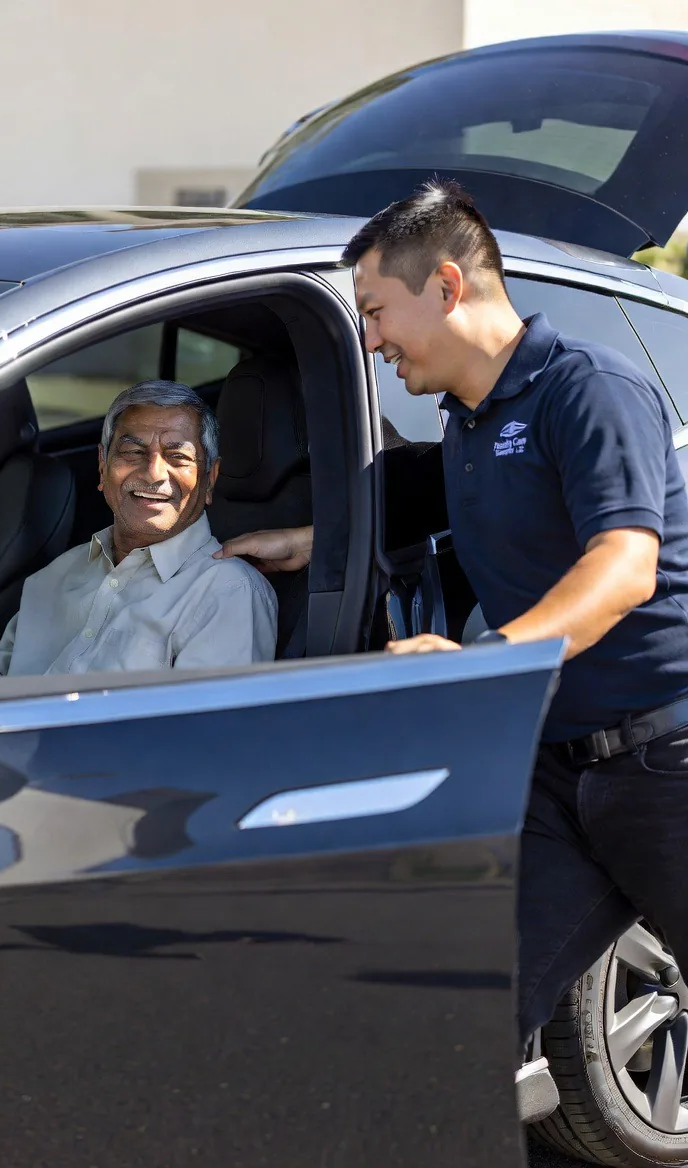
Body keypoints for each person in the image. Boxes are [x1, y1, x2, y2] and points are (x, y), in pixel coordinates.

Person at [215, 181, 688, 1047]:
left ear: (446, 286)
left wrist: (487, 660)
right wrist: (314, 540)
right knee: (457, 1016)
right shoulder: (470, 426)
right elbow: (460, 501)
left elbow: (623, 566)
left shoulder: (588, 390)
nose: (369, 339)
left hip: (667, 761)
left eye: (376, 311)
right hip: (560, 772)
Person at [0, 381, 277, 679]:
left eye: (177, 457)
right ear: (102, 466)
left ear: (210, 479)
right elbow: (2, 673)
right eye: (132, 452)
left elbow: (202, 744)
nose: (153, 473)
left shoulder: (227, 592)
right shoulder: (58, 574)